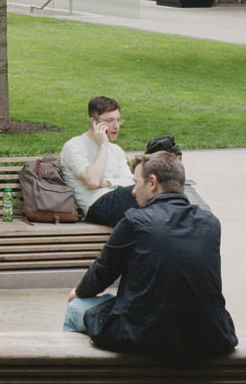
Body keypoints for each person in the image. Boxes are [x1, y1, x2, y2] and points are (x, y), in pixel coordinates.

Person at [63, 150, 237, 362]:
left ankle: (71, 376)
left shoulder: (135, 222)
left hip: (143, 332)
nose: (133, 191)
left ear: (152, 182)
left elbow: (101, 274)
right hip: (210, 333)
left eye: (136, 183)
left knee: (74, 309)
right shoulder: (210, 224)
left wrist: (78, 292)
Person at [60, 95, 136, 225]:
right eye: (110, 121)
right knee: (149, 194)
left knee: (153, 193)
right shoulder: (74, 146)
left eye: (118, 120)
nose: (116, 126)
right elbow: (93, 181)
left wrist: (106, 182)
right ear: (94, 122)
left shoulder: (116, 150)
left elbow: (129, 180)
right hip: (95, 205)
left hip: (120, 200)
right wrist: (103, 145)